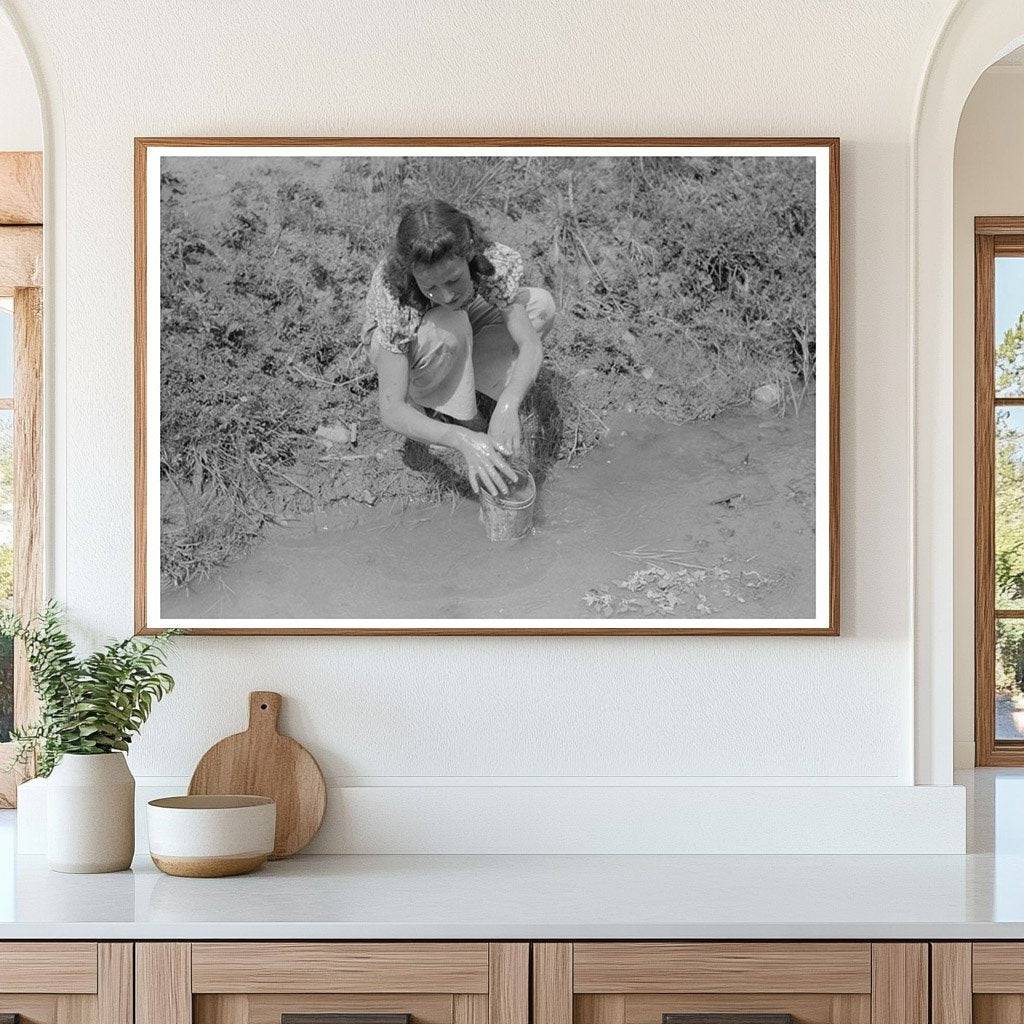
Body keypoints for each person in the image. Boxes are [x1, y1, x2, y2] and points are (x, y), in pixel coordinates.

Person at [363, 199, 556, 497]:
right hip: (407, 354)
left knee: (539, 306)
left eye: (454, 279)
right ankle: (452, 415)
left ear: (468, 255)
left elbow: (529, 343)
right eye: (430, 287)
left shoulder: (491, 260)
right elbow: (390, 410)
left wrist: (509, 403)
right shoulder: (394, 290)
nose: (446, 294)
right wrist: (461, 439)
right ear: (411, 273)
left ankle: (467, 390)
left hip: (455, 330)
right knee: (451, 324)